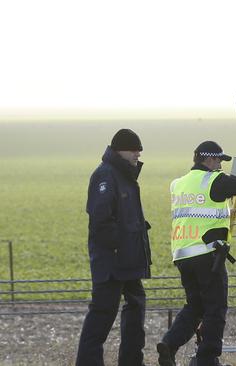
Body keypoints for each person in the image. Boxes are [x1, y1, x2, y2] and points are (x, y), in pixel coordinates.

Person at [157, 141, 236, 366]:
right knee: (216, 308)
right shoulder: (213, 180)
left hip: (183, 254)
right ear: (208, 159)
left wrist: (226, 212)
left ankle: (169, 345)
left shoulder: (178, 184)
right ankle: (207, 359)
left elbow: (200, 209)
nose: (220, 166)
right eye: (219, 160)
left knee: (195, 306)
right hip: (207, 255)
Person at [76, 128, 152, 366]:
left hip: (128, 261)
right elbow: (100, 220)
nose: (138, 153)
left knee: (136, 308)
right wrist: (118, 246)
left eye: (139, 149)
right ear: (119, 151)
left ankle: (131, 361)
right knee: (102, 316)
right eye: (134, 149)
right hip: (112, 263)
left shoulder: (124, 175)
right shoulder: (106, 175)